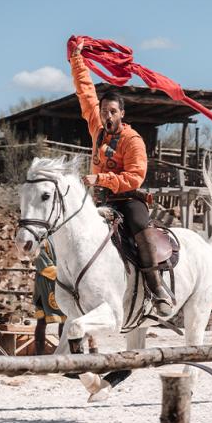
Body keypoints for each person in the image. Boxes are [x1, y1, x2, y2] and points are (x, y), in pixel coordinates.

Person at [70, 40, 174, 316]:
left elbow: (135, 177)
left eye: (113, 111)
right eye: (104, 111)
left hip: (127, 198)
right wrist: (77, 59)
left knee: (141, 228)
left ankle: (156, 286)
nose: (107, 115)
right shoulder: (96, 127)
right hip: (100, 199)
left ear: (122, 113)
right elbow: (85, 91)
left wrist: (101, 179)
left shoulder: (132, 140)